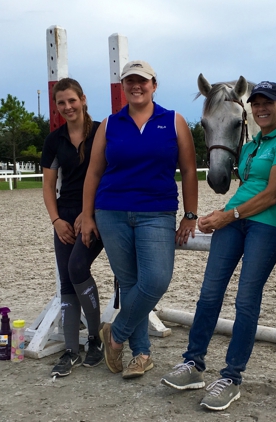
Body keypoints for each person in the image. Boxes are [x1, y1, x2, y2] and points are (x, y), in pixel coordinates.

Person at [160, 81, 276, 411]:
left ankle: (232, 377)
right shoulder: (249, 147)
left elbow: (272, 194)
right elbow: (242, 184)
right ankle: (193, 363)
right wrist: (223, 214)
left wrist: (226, 215)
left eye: (268, 103)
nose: (261, 108)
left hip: (269, 222)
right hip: (235, 219)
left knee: (246, 298)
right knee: (209, 291)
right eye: (257, 103)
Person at [81, 60, 198, 379]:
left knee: (156, 279)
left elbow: (189, 170)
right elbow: (93, 171)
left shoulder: (174, 121)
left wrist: (190, 214)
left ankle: (114, 335)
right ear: (123, 87)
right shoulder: (109, 124)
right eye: (129, 81)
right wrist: (87, 214)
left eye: (142, 80)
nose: (136, 85)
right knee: (131, 283)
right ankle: (141, 353)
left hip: (157, 212)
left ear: (154, 85)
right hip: (111, 212)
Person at [41, 78, 104, 377]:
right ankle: (70, 350)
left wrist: (87, 213)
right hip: (65, 215)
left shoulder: (102, 131)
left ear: (83, 99)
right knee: (67, 281)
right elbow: (48, 185)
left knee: (78, 268)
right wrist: (56, 221)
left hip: (96, 213)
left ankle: (95, 339)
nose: (67, 107)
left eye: (72, 100)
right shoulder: (54, 140)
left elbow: (110, 174)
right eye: (61, 103)